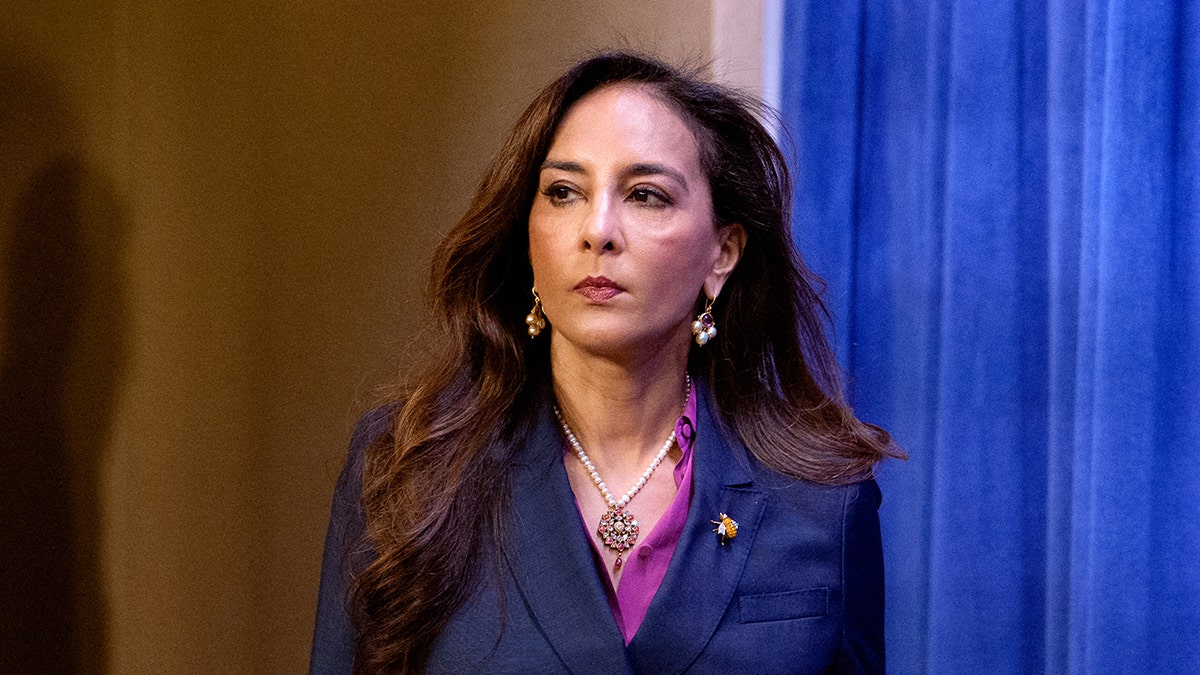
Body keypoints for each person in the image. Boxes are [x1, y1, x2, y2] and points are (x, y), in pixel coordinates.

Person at [310, 51, 903, 674]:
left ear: (721, 253)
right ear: (529, 233)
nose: (597, 230)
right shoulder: (409, 469)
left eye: (645, 195)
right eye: (563, 192)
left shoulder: (821, 499)